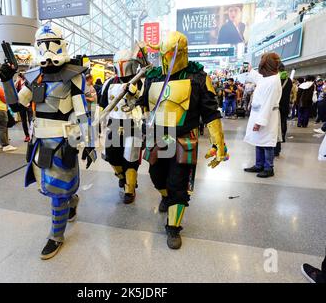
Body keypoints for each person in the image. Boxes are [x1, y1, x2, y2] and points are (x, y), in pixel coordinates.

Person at [0, 23, 96, 260]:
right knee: (53, 188)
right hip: (41, 143)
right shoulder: (35, 78)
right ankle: (72, 201)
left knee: (57, 191)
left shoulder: (74, 77)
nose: (48, 51)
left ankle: (56, 236)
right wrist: (7, 81)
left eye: (52, 44)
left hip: (64, 142)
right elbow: (16, 105)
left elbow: (83, 114)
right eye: (43, 45)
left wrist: (90, 143)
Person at [143, 31, 229, 249]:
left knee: (178, 184)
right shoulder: (153, 77)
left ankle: (173, 228)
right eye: (163, 54)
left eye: (170, 54)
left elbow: (211, 112)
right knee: (157, 176)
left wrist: (218, 142)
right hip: (158, 136)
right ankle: (166, 196)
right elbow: (145, 105)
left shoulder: (198, 77)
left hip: (184, 138)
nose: (165, 59)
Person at [99, 48, 144, 204]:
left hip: (134, 125)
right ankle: (123, 177)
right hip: (114, 124)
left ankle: (130, 189)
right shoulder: (109, 83)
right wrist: (98, 126)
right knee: (112, 156)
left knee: (131, 159)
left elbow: (146, 106)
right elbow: (102, 105)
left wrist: (136, 95)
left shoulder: (141, 83)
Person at [244, 53, 282, 178]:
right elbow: (259, 78)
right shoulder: (268, 77)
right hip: (259, 113)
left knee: (267, 143)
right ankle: (259, 164)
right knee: (258, 140)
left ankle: (268, 167)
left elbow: (268, 104)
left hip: (267, 115)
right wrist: (251, 70)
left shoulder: (273, 81)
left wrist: (259, 121)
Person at [274, 63, 293, 157]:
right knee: (283, 122)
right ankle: (283, 137)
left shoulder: (275, 79)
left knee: (275, 126)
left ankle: (276, 146)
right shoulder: (289, 80)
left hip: (276, 105)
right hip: (285, 105)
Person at [15, 73, 32, 142]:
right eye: (21, 73)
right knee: (23, 121)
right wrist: (16, 81)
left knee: (30, 120)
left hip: (29, 103)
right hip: (21, 104)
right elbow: (14, 91)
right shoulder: (18, 82)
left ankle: (31, 135)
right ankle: (27, 135)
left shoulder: (29, 81)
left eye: (24, 73)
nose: (23, 74)